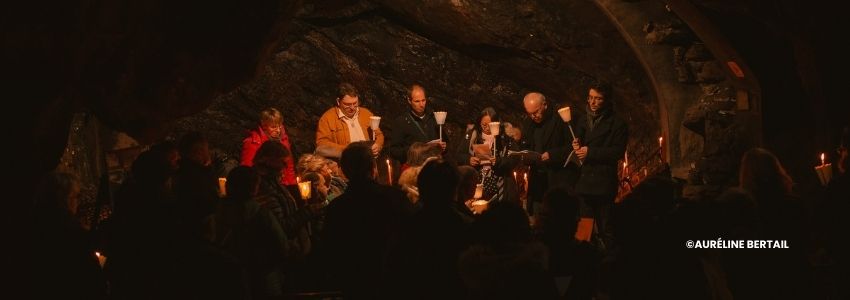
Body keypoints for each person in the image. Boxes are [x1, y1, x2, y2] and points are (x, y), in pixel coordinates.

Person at [572, 81, 628, 253]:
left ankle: (611, 263)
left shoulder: (617, 123)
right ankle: (583, 262)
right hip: (584, 183)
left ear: (607, 100)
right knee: (584, 228)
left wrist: (591, 152)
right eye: (590, 98)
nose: (592, 102)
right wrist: (575, 145)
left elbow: (618, 151)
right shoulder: (583, 120)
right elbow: (579, 143)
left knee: (606, 227)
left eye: (598, 99)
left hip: (603, 182)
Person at [520, 92, 577, 214]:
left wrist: (552, 155)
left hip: (557, 178)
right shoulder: (528, 123)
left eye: (535, 112)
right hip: (538, 181)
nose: (533, 116)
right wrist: (525, 155)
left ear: (544, 105)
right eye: (529, 113)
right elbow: (526, 144)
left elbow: (572, 146)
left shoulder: (560, 119)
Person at [457, 107, 521, 204]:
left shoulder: (505, 139)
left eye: (490, 125)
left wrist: (499, 161)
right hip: (477, 182)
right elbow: (459, 155)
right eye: (484, 125)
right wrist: (469, 159)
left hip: (500, 182)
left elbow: (515, 158)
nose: (486, 128)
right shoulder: (472, 136)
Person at [241, 107, 300, 196]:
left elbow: (289, 167)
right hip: (264, 189)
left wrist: (292, 188)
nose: (278, 130)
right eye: (273, 127)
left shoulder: (283, 140)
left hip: (282, 186)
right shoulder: (253, 142)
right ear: (264, 126)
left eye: (280, 125)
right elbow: (247, 170)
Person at [315, 83, 384, 158]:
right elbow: (322, 144)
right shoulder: (328, 118)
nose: (352, 108)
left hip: (367, 164)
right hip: (343, 165)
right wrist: (348, 150)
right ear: (338, 101)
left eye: (355, 103)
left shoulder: (366, 114)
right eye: (347, 104)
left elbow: (379, 135)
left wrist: (378, 145)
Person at [388, 84, 446, 165]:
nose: (421, 105)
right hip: (414, 167)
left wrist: (442, 147)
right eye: (417, 101)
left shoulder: (434, 118)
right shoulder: (401, 122)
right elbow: (394, 151)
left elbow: (445, 143)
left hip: (434, 166)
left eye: (423, 100)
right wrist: (417, 151)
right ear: (409, 100)